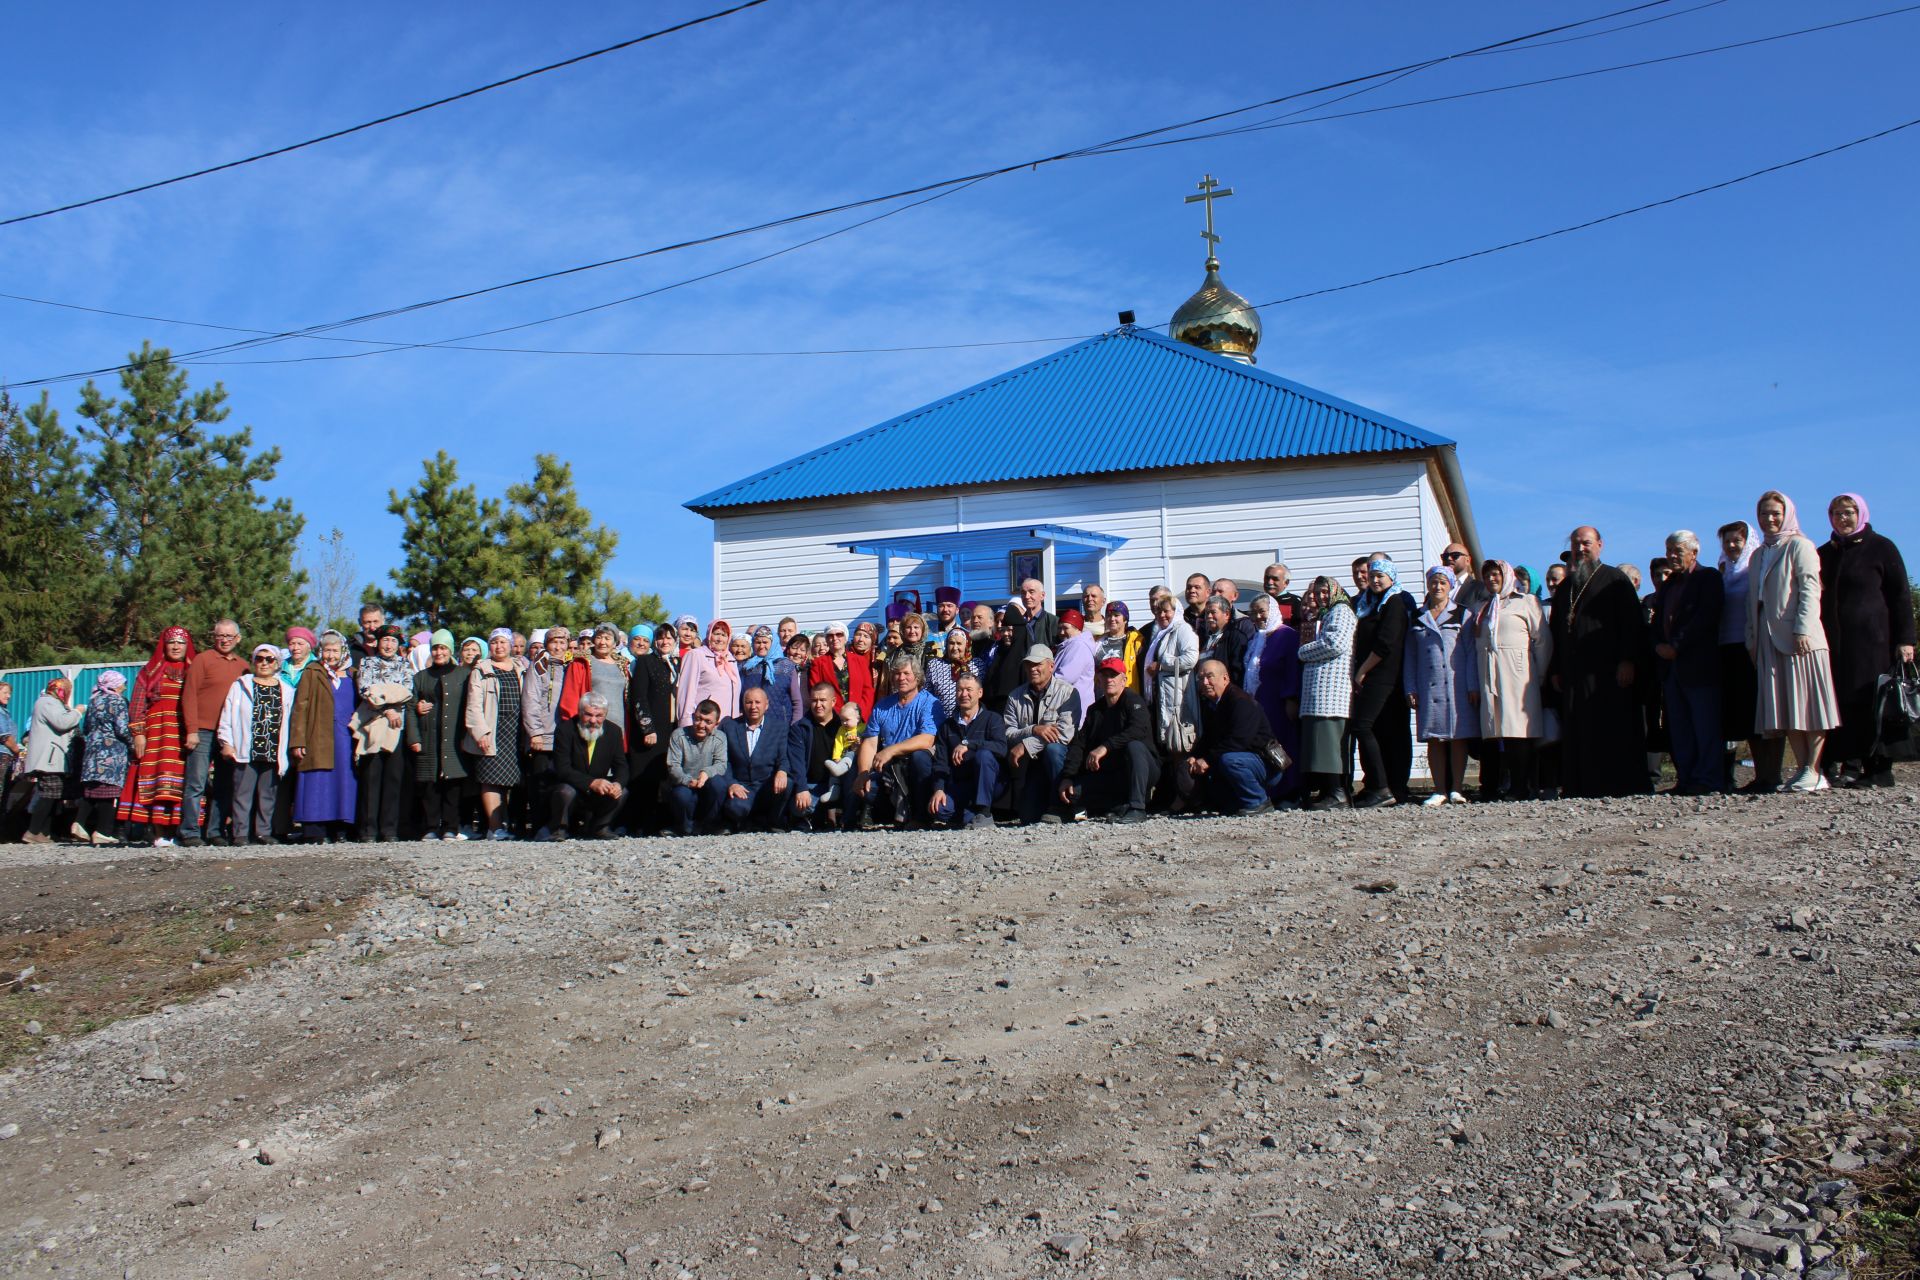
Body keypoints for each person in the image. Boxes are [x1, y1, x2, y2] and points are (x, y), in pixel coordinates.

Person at [1819, 492, 1914, 787]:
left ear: (1860, 514)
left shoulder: (1882, 548)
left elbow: (1900, 596)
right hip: (1837, 645)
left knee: (1875, 703)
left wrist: (1906, 639)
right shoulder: (1825, 552)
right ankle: (1850, 764)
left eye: (1847, 512)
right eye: (1836, 513)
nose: (1842, 518)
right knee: (1843, 703)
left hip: (1875, 643)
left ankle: (1879, 770)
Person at [1749, 491, 1842, 792]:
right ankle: (1802, 769)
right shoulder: (1758, 554)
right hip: (1768, 639)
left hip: (1800, 638)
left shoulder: (1800, 546)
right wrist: (1753, 637)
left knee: (1809, 704)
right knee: (1786, 705)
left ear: (1786, 513)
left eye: (1775, 512)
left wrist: (1802, 628)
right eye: (1764, 513)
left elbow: (1810, 590)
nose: (1769, 519)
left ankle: (1814, 769)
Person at [1549, 527, 1650, 798]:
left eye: (1586, 543)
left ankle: (1616, 785)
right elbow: (1556, 631)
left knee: (1610, 729)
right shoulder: (1566, 587)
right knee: (1578, 730)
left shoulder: (1615, 580)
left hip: (1608, 671)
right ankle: (1580, 786)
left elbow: (1631, 624)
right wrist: (1556, 668)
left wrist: (1627, 660)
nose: (1581, 549)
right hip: (1573, 672)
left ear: (1600, 545)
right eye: (1576, 544)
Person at [1466, 560, 1553, 801]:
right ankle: (1492, 787)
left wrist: (1539, 674)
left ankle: (1520, 786)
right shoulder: (1481, 608)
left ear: (1506, 575)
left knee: (1518, 731)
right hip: (1489, 673)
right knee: (1494, 732)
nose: (1492, 579)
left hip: (1519, 674)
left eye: (1496, 574)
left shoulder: (1526, 603)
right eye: (1487, 575)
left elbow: (1542, 642)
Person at [1651, 532, 1725, 795]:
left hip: (1698, 663)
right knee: (1679, 725)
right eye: (1669, 549)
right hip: (1671, 668)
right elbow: (1659, 621)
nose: (1672, 555)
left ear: (1694, 552)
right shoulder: (1669, 585)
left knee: (1705, 725)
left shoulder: (1708, 578)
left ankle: (1709, 778)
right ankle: (1687, 778)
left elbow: (1706, 617)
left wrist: (1677, 646)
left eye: (1677, 550)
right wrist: (1659, 645)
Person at [1714, 521, 1779, 792]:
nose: (1731, 546)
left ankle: (1771, 773)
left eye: (1736, 541)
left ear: (1747, 541)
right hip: (1727, 647)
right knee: (1745, 715)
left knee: (1762, 710)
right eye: (1727, 541)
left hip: (1752, 646)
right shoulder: (1723, 571)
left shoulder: (1755, 568)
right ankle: (1759, 775)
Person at [117, 626, 195, 846]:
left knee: (182, 782)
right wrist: (139, 734)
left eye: (181, 642)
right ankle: (158, 832)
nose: (176, 646)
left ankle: (179, 831)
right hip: (157, 734)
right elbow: (137, 704)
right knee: (156, 780)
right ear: (164, 645)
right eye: (172, 642)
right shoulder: (150, 670)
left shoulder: (194, 669)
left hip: (182, 732)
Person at [1404, 567, 1473, 805]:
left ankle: (1456, 788)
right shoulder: (1417, 616)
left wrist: (1472, 685)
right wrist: (1410, 687)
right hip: (1427, 684)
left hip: (1456, 683)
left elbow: (1471, 652)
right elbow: (1410, 655)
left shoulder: (1462, 614)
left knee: (1457, 736)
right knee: (1434, 737)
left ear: (1451, 585)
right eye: (1433, 582)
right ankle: (1439, 789)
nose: (1438, 587)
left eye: (1443, 582)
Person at [1349, 558, 1415, 807]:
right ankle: (1376, 785)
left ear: (1391, 578)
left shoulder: (1395, 602)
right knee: (1376, 730)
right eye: (1373, 575)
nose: (1375, 580)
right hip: (1371, 675)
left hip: (1384, 676)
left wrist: (1362, 671)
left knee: (1362, 726)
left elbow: (1385, 644)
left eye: (1380, 576)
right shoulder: (1369, 604)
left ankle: (1382, 786)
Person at [1059, 659, 1158, 823]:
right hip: (1111, 775)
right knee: (1073, 792)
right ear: (1098, 680)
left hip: (1141, 770)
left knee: (1135, 746)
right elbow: (1079, 744)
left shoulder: (1134, 701)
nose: (1109, 680)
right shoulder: (1094, 710)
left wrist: (1105, 746)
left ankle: (1137, 808)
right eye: (1104, 676)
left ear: (1124, 680)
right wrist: (1068, 776)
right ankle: (1118, 807)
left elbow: (1138, 730)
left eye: (1113, 675)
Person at [216, 645, 295, 846]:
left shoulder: (286, 690)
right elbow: (227, 716)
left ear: (277, 663)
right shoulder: (241, 686)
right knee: (243, 793)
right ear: (254, 661)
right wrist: (227, 742)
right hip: (246, 748)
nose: (264, 663)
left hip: (272, 747)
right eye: (260, 659)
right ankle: (240, 833)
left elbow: (290, 721)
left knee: (267, 794)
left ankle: (263, 831)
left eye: (269, 659)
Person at [178, 618, 247, 846]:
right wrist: (192, 729)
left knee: (224, 784)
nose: (225, 640)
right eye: (221, 636)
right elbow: (188, 696)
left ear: (238, 639)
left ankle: (215, 830)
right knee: (196, 783)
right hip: (204, 730)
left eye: (229, 636)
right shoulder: (202, 660)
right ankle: (189, 831)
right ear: (214, 637)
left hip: (229, 735)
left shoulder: (243, 666)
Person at [851, 657, 942, 828]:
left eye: (906, 673)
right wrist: (863, 773)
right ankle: (892, 814)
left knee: (920, 758)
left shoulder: (930, 702)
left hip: (914, 766)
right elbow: (870, 742)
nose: (901, 678)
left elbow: (927, 739)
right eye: (897, 674)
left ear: (917, 677)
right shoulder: (882, 706)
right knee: (866, 788)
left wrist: (891, 750)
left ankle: (921, 815)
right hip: (889, 769)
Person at [1186, 659, 1284, 816]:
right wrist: (1195, 756)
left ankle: (1258, 801)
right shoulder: (1216, 704)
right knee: (1205, 762)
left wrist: (1207, 760)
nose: (1205, 682)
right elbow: (1209, 738)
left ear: (1225, 678)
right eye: (1201, 678)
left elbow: (1238, 741)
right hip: (1247, 758)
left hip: (1267, 764)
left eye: (1210, 676)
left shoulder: (1241, 702)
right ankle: (1232, 803)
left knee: (1229, 760)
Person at [290, 630, 359, 842]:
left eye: (335, 650)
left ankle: (341, 829)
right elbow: (300, 707)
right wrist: (298, 741)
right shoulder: (313, 671)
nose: (330, 655)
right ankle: (315, 831)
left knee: (344, 782)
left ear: (343, 651)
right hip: (317, 736)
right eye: (327, 650)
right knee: (317, 782)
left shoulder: (353, 674)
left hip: (346, 738)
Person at [1297, 577, 1357, 810]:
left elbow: (1334, 643)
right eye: (1317, 593)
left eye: (1325, 592)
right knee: (1319, 743)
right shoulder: (1326, 613)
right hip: (1319, 690)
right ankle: (1327, 791)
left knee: (1330, 743)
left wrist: (1303, 651)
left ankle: (1337, 792)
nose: (1321, 597)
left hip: (1333, 690)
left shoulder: (1341, 611)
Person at [1001, 647, 1079, 824]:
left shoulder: (1068, 692)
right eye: (1028, 665)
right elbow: (1007, 732)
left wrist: (1026, 745)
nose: (1032, 669)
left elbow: (1064, 734)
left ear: (1051, 666)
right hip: (1032, 763)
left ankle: (1062, 807)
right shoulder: (1015, 696)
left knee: (1054, 749)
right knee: (1027, 817)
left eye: (1037, 664)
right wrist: (1033, 729)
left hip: (1061, 760)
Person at [406, 630, 472, 840]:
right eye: (435, 648)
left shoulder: (463, 674)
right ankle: (431, 826)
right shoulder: (421, 677)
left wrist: (467, 736)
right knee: (429, 786)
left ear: (450, 650)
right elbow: (410, 707)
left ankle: (451, 826)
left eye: (443, 648)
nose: (439, 652)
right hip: (428, 737)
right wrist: (414, 738)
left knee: (453, 785)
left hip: (454, 736)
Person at [349, 624, 411, 843]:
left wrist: (383, 694)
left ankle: (389, 829)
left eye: (393, 641)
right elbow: (366, 689)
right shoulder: (367, 663)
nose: (389, 645)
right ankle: (368, 830)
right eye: (385, 640)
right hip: (373, 723)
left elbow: (406, 691)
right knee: (371, 777)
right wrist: (388, 707)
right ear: (378, 642)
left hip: (396, 727)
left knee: (393, 779)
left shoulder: (404, 665)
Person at [464, 629, 526, 841]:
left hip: (515, 730)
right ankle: (494, 827)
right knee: (491, 779)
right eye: (494, 643)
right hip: (492, 728)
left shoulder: (521, 668)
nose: (499, 647)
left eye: (503, 642)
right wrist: (480, 731)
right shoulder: (481, 670)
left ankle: (507, 824)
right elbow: (473, 705)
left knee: (510, 779)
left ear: (510, 645)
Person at [929, 671, 1008, 829]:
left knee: (984, 755)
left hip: (990, 783)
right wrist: (938, 789)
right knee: (940, 809)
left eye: (969, 690)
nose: (964, 694)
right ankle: (970, 815)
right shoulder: (947, 726)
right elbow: (941, 762)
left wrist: (970, 744)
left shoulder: (993, 719)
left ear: (980, 693)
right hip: (961, 785)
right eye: (960, 690)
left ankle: (983, 812)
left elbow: (1001, 748)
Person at [1142, 589, 1200, 791]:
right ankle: (1175, 792)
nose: (1162, 616)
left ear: (1175, 611)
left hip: (1178, 695)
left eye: (1166, 611)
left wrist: (1162, 664)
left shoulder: (1182, 630)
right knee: (1168, 745)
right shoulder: (1161, 634)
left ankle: (1187, 794)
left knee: (1180, 744)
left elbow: (1191, 659)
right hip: (1162, 696)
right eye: (1158, 612)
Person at [550, 692, 629, 839]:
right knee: (564, 791)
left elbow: (622, 766)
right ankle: (560, 828)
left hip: (598, 792)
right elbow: (562, 768)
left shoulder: (614, 731)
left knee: (622, 791)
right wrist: (591, 783)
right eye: (588, 715)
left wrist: (618, 783)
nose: (593, 720)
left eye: (599, 716)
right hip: (573, 787)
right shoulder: (565, 730)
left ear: (605, 715)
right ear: (580, 712)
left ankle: (600, 827)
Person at [1247, 593, 1302, 801]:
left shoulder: (1287, 635)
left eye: (1262, 611)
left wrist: (1290, 698)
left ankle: (1290, 791)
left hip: (1279, 699)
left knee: (1285, 745)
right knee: (1266, 746)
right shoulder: (1258, 638)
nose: (1259, 616)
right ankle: (1272, 790)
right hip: (1261, 701)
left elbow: (1292, 669)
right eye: (1254, 612)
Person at [624, 624, 678, 835]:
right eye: (661, 638)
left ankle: (660, 823)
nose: (665, 642)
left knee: (664, 777)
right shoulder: (645, 662)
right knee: (644, 778)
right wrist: (647, 728)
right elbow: (638, 697)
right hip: (651, 729)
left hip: (670, 729)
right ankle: (638, 825)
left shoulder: (676, 663)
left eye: (669, 639)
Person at [20, 679, 83, 844]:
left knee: (52, 795)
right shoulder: (47, 702)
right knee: (49, 795)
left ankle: (43, 832)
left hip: (52, 757)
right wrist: (77, 712)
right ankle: (33, 831)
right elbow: (62, 723)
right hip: (48, 758)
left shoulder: (51, 703)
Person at [719, 686, 789, 830]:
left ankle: (773, 821)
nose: (753, 707)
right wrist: (731, 783)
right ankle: (747, 821)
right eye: (749, 702)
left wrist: (782, 771)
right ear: (743, 704)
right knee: (736, 809)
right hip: (742, 786)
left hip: (767, 786)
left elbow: (784, 757)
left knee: (788, 783)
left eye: (758, 702)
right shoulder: (730, 726)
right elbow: (724, 761)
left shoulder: (779, 727)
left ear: (766, 705)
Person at [75, 672, 133, 845]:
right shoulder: (117, 701)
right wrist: (133, 742)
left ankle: (79, 823)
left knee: (92, 789)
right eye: (123, 684)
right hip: (111, 751)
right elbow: (122, 729)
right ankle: (103, 831)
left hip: (92, 750)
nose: (124, 687)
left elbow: (85, 728)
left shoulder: (94, 700)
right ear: (115, 684)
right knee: (110, 791)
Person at [787, 683, 853, 830]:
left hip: (839, 785)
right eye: (814, 700)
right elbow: (796, 762)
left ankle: (843, 815)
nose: (818, 705)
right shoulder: (800, 728)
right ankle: (817, 814)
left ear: (833, 702)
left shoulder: (844, 727)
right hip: (812, 786)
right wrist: (801, 789)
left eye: (823, 700)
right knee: (800, 806)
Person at [666, 699, 732, 836]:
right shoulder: (679, 735)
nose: (701, 725)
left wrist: (706, 773)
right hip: (684, 784)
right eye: (698, 719)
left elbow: (721, 764)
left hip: (707, 784)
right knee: (681, 795)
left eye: (708, 722)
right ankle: (685, 827)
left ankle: (709, 825)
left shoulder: (720, 738)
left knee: (719, 784)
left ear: (716, 724)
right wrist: (688, 780)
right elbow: (673, 766)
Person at [676, 621, 741, 727]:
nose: (720, 639)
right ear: (709, 635)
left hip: (729, 726)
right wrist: (686, 724)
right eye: (716, 634)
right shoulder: (696, 655)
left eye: (724, 635)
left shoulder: (731, 660)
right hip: (704, 724)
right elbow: (686, 692)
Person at [926, 627, 987, 718]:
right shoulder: (934, 665)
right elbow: (927, 695)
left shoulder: (978, 664)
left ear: (966, 646)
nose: (955, 648)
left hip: (972, 721)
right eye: (951, 643)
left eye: (959, 643)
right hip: (942, 722)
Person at [1052, 609, 1097, 726]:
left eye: (1066, 628)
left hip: (1075, 710)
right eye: (1059, 628)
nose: (1061, 632)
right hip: (1069, 708)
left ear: (1077, 628)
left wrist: (1043, 681)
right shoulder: (1069, 645)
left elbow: (1065, 678)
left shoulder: (1078, 646)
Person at [1200, 595, 1252, 687]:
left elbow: (1237, 671)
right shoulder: (1204, 638)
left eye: (1213, 612)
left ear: (1227, 614)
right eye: (1207, 613)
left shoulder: (1235, 637)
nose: (1209, 616)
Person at [768, 633, 810, 726]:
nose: (797, 652)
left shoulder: (810, 672)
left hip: (806, 718)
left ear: (806, 654)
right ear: (787, 649)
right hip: (783, 718)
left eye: (802, 650)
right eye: (794, 648)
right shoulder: (777, 670)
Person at [1015, 578, 1061, 653]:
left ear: (1042, 595)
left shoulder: (1054, 622)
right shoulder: (1017, 623)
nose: (1026, 596)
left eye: (1031, 592)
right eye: (1023, 593)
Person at [1182, 573, 1216, 647]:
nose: (1192, 590)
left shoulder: (1216, 616)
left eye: (1197, 587)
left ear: (1208, 592)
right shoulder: (1181, 618)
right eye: (1189, 587)